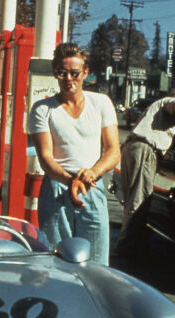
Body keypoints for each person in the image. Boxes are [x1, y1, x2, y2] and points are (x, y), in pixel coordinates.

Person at [28, 43, 120, 265]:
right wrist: (71, 181)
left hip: (92, 186)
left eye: (75, 73)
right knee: (56, 260)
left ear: (85, 73)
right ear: (55, 73)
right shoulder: (42, 109)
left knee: (97, 263)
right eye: (62, 72)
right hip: (57, 188)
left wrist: (91, 174)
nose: (68, 78)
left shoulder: (101, 103)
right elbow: (46, 159)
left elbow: (113, 150)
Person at [114, 87, 175, 257]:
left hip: (133, 148)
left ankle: (136, 242)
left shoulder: (157, 110)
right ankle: (126, 248)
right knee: (139, 200)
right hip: (144, 149)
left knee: (134, 199)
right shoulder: (168, 102)